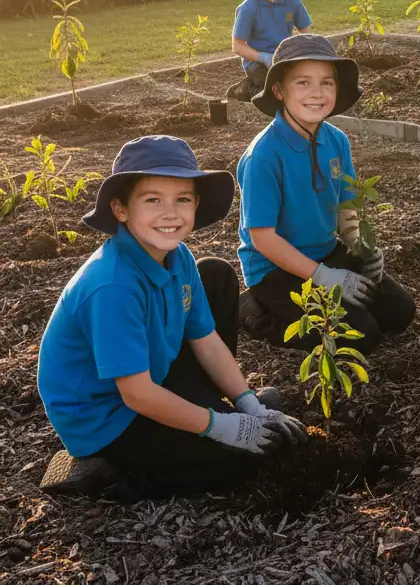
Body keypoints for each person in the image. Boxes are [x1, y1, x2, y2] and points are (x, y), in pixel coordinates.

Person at [37, 136, 305, 498]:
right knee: (238, 459)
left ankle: (210, 411)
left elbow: (206, 340)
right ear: (120, 209)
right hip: (107, 415)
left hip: (151, 376)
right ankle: (114, 478)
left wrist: (246, 403)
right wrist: (221, 427)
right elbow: (137, 396)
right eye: (152, 200)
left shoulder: (177, 256)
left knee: (214, 273)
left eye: (182, 199)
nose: (170, 213)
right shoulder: (112, 287)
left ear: (196, 204)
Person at [236, 34, 415, 354]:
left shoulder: (336, 141)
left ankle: (328, 295)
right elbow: (262, 238)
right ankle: (254, 310)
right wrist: (322, 276)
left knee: (399, 311)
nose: (317, 93)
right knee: (360, 336)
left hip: (324, 253)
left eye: (327, 83)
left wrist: (362, 245)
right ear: (278, 90)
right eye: (303, 83)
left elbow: (346, 208)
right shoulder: (264, 155)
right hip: (274, 270)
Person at [227, 0, 312, 102]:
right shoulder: (248, 8)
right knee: (276, 95)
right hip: (258, 62)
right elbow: (237, 46)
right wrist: (265, 57)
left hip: (284, 58)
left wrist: (305, 55)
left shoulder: (293, 2)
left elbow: (307, 34)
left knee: (303, 86)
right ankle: (244, 90)